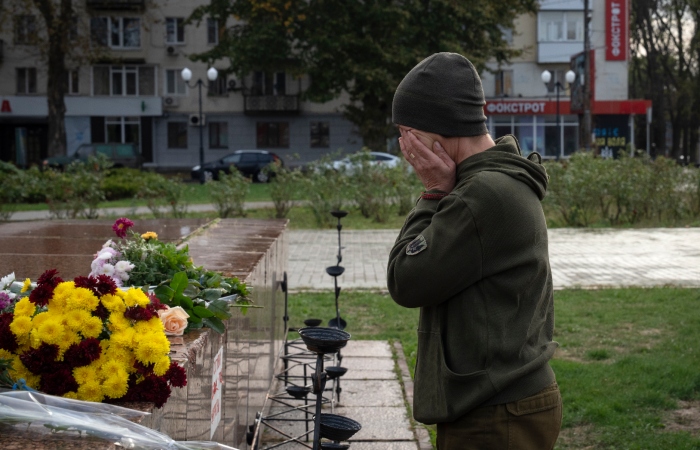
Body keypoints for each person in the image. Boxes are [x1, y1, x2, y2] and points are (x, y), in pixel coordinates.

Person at [387, 52, 562, 449]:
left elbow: (405, 279)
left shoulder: (481, 194)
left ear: (438, 128)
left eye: (407, 131)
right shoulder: (493, 181)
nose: (405, 146)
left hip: (497, 414)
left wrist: (432, 191)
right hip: (503, 404)